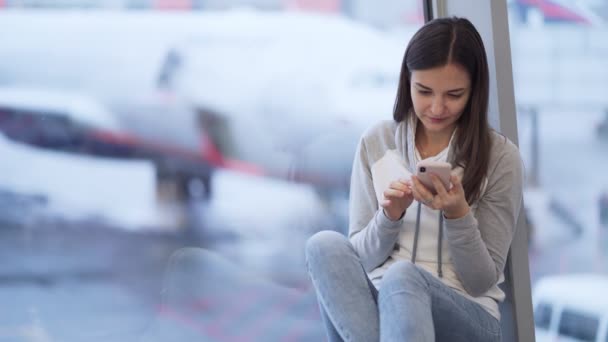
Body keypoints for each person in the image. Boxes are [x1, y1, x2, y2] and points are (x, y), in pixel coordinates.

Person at [305, 17, 524, 341]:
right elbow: (360, 260)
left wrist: (459, 215)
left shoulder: (501, 158)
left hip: (466, 314)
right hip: (381, 312)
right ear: (407, 83)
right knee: (323, 245)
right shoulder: (376, 141)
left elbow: (481, 281)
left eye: (454, 94)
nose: (436, 107)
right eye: (424, 91)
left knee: (403, 276)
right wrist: (388, 217)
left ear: (474, 91)